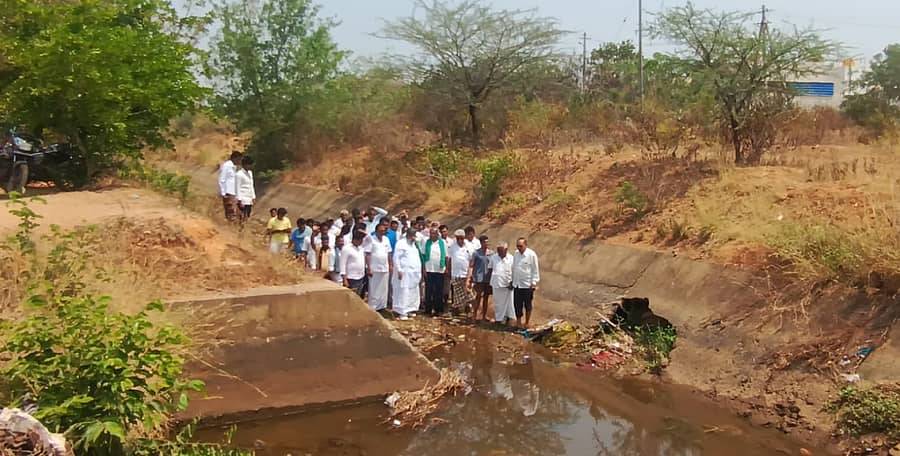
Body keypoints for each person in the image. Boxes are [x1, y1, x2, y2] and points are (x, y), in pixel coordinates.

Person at [393, 228, 422, 320]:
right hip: (404, 272)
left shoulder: (414, 245)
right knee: (403, 291)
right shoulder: (401, 244)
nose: (414, 238)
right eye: (412, 236)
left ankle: (410, 309)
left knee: (413, 291)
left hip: (414, 273)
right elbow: (396, 258)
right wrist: (399, 269)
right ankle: (402, 311)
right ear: (408, 235)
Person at [512, 237, 541, 328]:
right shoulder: (516, 254)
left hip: (527, 284)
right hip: (517, 284)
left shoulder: (531, 255)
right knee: (517, 304)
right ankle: (518, 322)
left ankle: (527, 322)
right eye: (517, 246)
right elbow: (514, 268)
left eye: (520, 246)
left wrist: (534, 282)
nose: (519, 248)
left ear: (525, 245)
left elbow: (535, 269)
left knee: (527, 304)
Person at [364, 221, 393, 311]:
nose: (382, 232)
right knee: (374, 288)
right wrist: (369, 268)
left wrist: (391, 265)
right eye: (381, 231)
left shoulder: (386, 239)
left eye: (384, 231)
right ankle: (373, 307)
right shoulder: (371, 239)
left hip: (384, 267)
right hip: (374, 268)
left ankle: (382, 306)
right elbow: (368, 254)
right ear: (376, 231)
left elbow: (388, 253)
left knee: (384, 288)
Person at [421, 227, 447, 317]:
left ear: (437, 234)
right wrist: (423, 268)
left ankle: (438, 309)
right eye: (431, 233)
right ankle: (428, 309)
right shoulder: (426, 242)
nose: (432, 235)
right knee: (429, 290)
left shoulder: (442, 242)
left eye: (434, 233)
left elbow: (446, 256)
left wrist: (446, 268)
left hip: (439, 270)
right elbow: (423, 256)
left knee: (439, 290)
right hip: (429, 270)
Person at [489, 241, 516, 325]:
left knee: (509, 303)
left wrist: (512, 282)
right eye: (498, 251)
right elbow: (490, 269)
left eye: (501, 251)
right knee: (498, 303)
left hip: (508, 284)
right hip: (496, 284)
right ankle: (499, 319)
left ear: (506, 250)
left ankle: (508, 318)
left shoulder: (511, 258)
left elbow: (514, 271)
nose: (499, 253)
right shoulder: (493, 257)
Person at [448, 229, 474, 315]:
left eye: (462, 238)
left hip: (466, 274)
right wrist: (448, 271)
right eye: (458, 238)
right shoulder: (452, 247)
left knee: (469, 293)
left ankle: (468, 309)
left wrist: (470, 275)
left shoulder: (469, 247)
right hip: (456, 274)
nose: (460, 240)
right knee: (457, 294)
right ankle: (456, 309)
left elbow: (471, 261)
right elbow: (449, 259)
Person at [470, 235, 493, 321]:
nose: (486, 243)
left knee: (486, 297)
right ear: (481, 243)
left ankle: (484, 316)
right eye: (485, 242)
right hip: (479, 278)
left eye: (487, 242)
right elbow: (471, 265)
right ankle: (474, 315)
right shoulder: (476, 253)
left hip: (488, 279)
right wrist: (472, 277)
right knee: (478, 296)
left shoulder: (491, 253)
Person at [341, 231, 367, 298]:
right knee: (351, 297)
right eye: (360, 240)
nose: (361, 242)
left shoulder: (361, 248)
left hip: (361, 276)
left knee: (358, 296)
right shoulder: (346, 248)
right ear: (355, 239)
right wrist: (344, 279)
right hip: (351, 277)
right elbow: (342, 264)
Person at [217, 151, 242, 222]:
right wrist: (223, 192)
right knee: (232, 211)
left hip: (234, 193)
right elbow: (222, 179)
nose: (240, 161)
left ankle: (233, 228)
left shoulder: (234, 167)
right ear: (235, 158)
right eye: (239, 159)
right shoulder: (227, 166)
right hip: (229, 193)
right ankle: (230, 228)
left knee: (238, 212)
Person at [234, 156, 256, 223]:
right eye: (249, 164)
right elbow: (237, 187)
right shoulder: (239, 174)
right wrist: (240, 200)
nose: (250, 166)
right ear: (245, 165)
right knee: (242, 216)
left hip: (249, 198)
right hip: (243, 198)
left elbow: (251, 185)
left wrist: (253, 197)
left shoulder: (250, 173)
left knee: (248, 215)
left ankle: (244, 228)